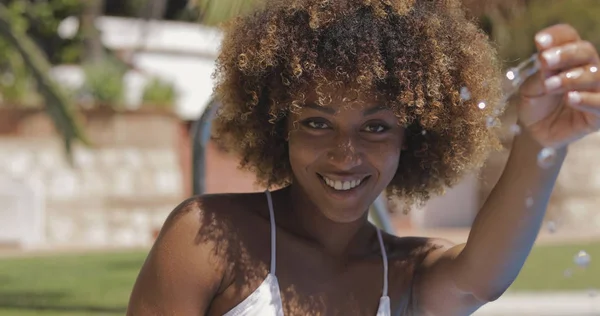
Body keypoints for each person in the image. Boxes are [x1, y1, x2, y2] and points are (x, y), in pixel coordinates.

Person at [127, 0, 600, 315]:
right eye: (316, 122)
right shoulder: (208, 238)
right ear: (279, 126)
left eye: (375, 127)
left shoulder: (407, 272)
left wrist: (542, 141)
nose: (345, 153)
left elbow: (482, 279)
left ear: (409, 139)